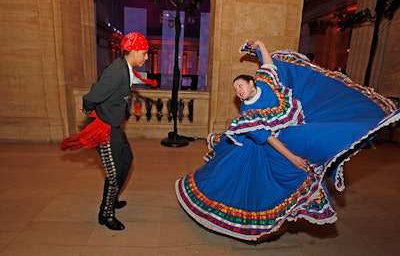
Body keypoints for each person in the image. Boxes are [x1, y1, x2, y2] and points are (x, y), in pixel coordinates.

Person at [175, 40, 400, 241]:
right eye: (235, 90)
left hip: (289, 132)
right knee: (274, 179)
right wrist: (292, 157)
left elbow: (267, 61)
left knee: (325, 135)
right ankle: (274, 221)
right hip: (269, 145)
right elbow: (269, 138)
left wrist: (258, 44)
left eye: (241, 86)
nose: (238, 91)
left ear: (253, 83)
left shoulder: (266, 81)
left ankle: (367, 120)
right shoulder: (248, 112)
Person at [61, 32, 156, 231]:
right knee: (114, 174)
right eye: (145, 53)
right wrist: (88, 109)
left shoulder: (124, 67)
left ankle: (112, 199)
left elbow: (103, 91)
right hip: (103, 128)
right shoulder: (117, 71)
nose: (147, 57)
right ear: (135, 51)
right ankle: (106, 213)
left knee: (126, 160)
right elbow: (93, 95)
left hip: (113, 126)